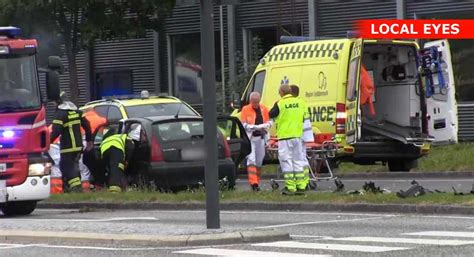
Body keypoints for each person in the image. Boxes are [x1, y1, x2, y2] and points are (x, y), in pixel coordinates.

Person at [50, 91, 93, 193]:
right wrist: (89, 141)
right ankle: (69, 189)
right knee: (74, 166)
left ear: (59, 101)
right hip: (78, 146)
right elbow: (87, 126)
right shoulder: (77, 112)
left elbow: (56, 131)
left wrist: (46, 143)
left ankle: (77, 189)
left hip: (67, 147)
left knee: (66, 167)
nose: (54, 104)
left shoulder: (60, 114)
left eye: (54, 102)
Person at [269, 84, 307, 195]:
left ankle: (290, 187)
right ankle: (301, 186)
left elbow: (270, 114)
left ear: (281, 92)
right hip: (297, 136)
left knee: (286, 161)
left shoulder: (280, 103)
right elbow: (304, 117)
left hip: (285, 137)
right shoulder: (300, 103)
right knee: (298, 161)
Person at [240, 92, 271, 191]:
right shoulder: (245, 109)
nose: (256, 104)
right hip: (251, 139)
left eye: (257, 102)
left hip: (261, 138)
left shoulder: (263, 109)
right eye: (254, 102)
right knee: (251, 160)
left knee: (259, 161)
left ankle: (257, 180)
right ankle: (254, 183)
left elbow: (268, 122)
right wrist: (253, 127)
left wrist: (264, 127)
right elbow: (243, 124)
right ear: (250, 101)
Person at [100, 124, 140, 192]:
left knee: (112, 169)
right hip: (116, 149)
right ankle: (114, 191)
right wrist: (127, 160)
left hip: (104, 151)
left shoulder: (107, 139)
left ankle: (119, 188)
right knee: (117, 169)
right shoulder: (124, 136)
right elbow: (130, 147)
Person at [290, 85, 313, 190]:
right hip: (304, 134)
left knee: (298, 159)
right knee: (302, 158)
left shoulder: (293, 104)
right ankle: (305, 180)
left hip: (297, 134)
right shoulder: (302, 103)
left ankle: (302, 182)